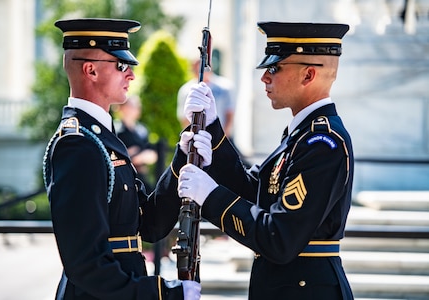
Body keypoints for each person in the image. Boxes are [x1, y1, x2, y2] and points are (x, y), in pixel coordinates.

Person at [176, 22, 354, 299]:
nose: (264, 78)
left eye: (274, 68)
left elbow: (279, 238)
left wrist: (210, 196)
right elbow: (254, 190)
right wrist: (212, 128)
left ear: (308, 74)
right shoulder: (300, 135)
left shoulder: (322, 143)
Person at [43, 18, 209, 300]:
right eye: (121, 66)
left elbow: (149, 224)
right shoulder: (78, 144)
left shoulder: (101, 137)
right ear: (90, 70)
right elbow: (85, 263)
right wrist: (162, 295)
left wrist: (183, 157)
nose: (130, 75)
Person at [177, 59, 235, 137]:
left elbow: (230, 113)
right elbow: (184, 118)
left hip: (221, 136)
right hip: (198, 137)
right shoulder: (186, 90)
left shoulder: (224, 87)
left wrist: (222, 137)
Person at [116, 95, 158, 192]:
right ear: (122, 107)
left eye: (137, 106)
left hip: (142, 179)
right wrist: (135, 156)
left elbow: (152, 155)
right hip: (124, 180)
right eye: (132, 105)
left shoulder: (142, 130)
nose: (135, 109)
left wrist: (136, 156)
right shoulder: (116, 130)